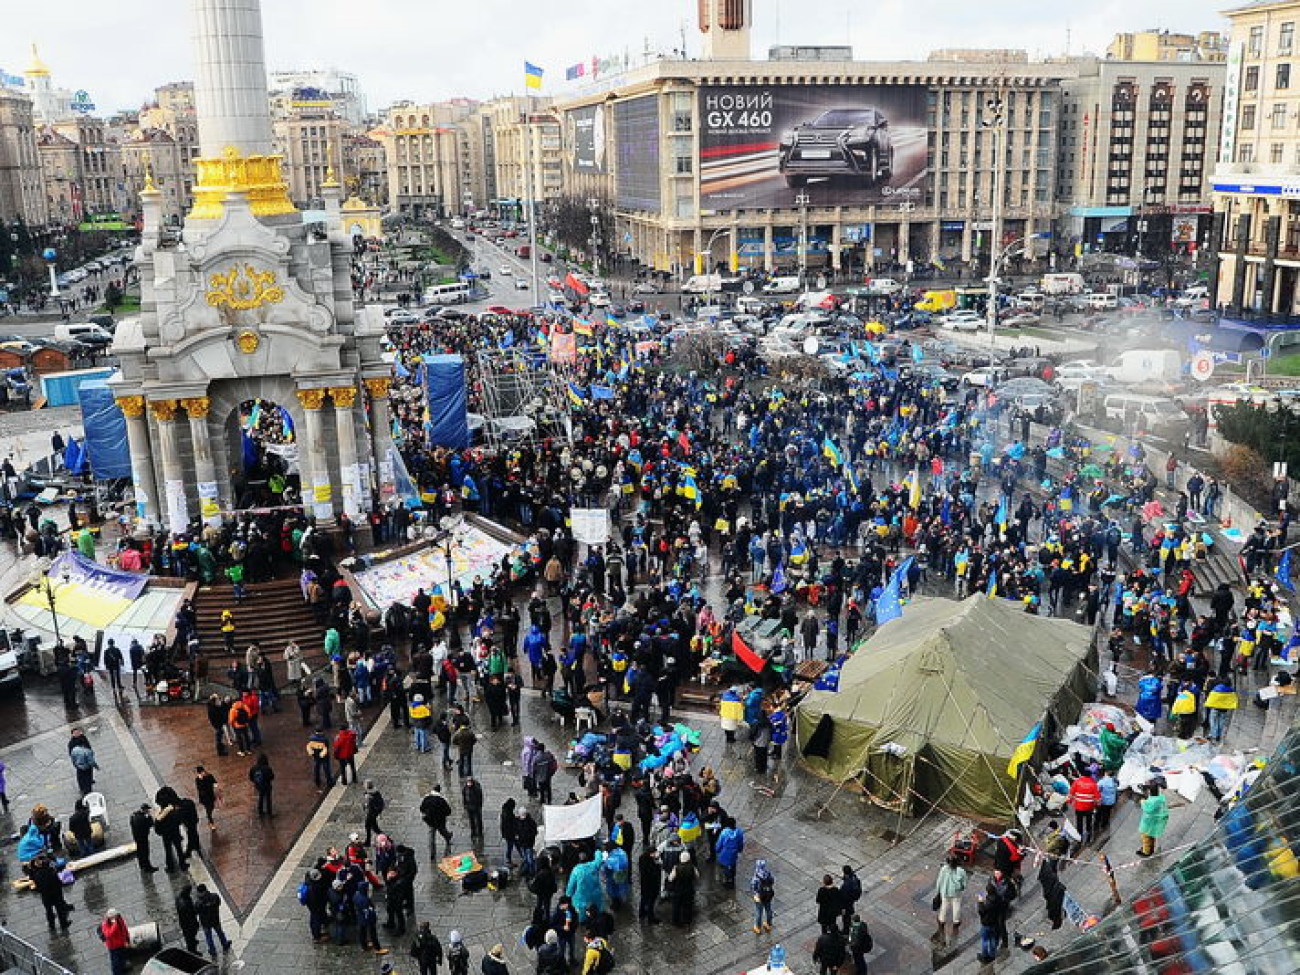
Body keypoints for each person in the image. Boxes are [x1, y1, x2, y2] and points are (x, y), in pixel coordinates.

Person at [25, 853, 73, 928]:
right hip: (55, 891)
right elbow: (56, 867)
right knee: (59, 908)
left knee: (48, 910)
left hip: (45, 894)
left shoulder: (34, 871)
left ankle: (51, 925)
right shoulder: (49, 867)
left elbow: (32, 879)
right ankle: (63, 923)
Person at [933, 854, 967, 945]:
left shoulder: (944, 869)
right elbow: (964, 884)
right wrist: (961, 888)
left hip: (945, 892)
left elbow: (939, 881)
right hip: (956, 893)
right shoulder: (961, 871)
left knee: (944, 907)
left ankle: (941, 920)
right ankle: (956, 921)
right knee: (956, 907)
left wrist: (938, 891)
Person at [195, 883, 233, 957]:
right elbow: (219, 903)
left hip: (205, 923)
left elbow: (196, 911)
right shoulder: (214, 896)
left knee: (209, 937)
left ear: (200, 892)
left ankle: (212, 951)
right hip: (215, 919)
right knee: (220, 933)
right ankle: (225, 944)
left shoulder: (198, 903)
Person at [421, 784, 454, 860]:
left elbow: (421, 808)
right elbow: (448, 811)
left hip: (430, 821)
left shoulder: (427, 799)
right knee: (443, 831)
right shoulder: (441, 800)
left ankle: (432, 853)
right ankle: (448, 837)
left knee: (431, 837)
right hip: (440, 821)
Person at [1137, 783, 1170, 857]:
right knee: (1152, 835)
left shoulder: (1151, 801)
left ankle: (1146, 852)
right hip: (1156, 822)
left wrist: (1142, 802)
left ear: (1150, 792)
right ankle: (1151, 848)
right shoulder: (1161, 798)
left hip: (1148, 823)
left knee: (1145, 837)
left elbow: (1148, 809)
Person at [668, 849, 698, 926]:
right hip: (689, 889)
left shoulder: (676, 867)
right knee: (688, 905)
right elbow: (697, 876)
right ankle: (687, 920)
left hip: (678, 889)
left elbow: (670, 878)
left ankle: (676, 920)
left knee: (676, 905)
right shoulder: (692, 867)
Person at [98, 909, 131, 975]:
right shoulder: (105, 924)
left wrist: (127, 939)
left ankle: (123, 969)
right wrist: (114, 925)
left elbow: (124, 928)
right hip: (113, 947)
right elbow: (108, 934)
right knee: (115, 962)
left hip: (121, 944)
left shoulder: (119, 919)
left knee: (122, 958)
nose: (115, 918)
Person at [129, 802, 159, 872]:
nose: (148, 811)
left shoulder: (134, 815)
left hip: (136, 837)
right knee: (145, 852)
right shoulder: (144, 818)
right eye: (147, 810)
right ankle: (148, 867)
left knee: (139, 851)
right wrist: (149, 816)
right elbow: (151, 824)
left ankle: (141, 865)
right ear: (145, 810)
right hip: (143, 837)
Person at [638, 847, 662, 924]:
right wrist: (658, 865)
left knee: (644, 898)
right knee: (651, 901)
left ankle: (642, 913)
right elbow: (653, 873)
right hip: (651, 885)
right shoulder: (650, 862)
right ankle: (650, 918)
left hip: (644, 884)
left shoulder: (642, 858)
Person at [750, 858, 775, 933]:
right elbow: (772, 881)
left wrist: (755, 895)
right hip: (768, 895)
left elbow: (753, 887)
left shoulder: (756, 877)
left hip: (759, 897)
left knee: (759, 912)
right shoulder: (768, 873)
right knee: (768, 910)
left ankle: (758, 927)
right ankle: (769, 924)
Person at [176, 884, 201, 953]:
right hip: (188, 923)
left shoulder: (180, 897)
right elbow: (190, 913)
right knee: (190, 936)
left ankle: (193, 941)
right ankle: (193, 951)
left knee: (191, 935)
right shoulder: (184, 903)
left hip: (186, 922)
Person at [838, 864, 862, 935]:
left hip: (846, 904)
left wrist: (842, 907)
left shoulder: (846, 885)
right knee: (850, 910)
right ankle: (851, 915)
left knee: (845, 917)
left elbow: (842, 897)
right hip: (852, 900)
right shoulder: (855, 877)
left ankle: (846, 930)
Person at [364, 780, 386, 845]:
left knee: (369, 826)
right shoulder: (376, 792)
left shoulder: (369, 796)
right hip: (374, 813)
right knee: (374, 826)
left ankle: (368, 842)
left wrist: (366, 807)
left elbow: (368, 806)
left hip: (371, 814)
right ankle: (368, 841)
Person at [463, 776, 485, 841]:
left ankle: (480, 832)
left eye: (470, 782)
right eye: (468, 782)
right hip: (469, 807)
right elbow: (464, 797)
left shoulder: (477, 788)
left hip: (476, 807)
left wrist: (479, 806)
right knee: (471, 820)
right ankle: (473, 832)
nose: (469, 784)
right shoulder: (465, 788)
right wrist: (465, 805)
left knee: (478, 819)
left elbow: (480, 798)